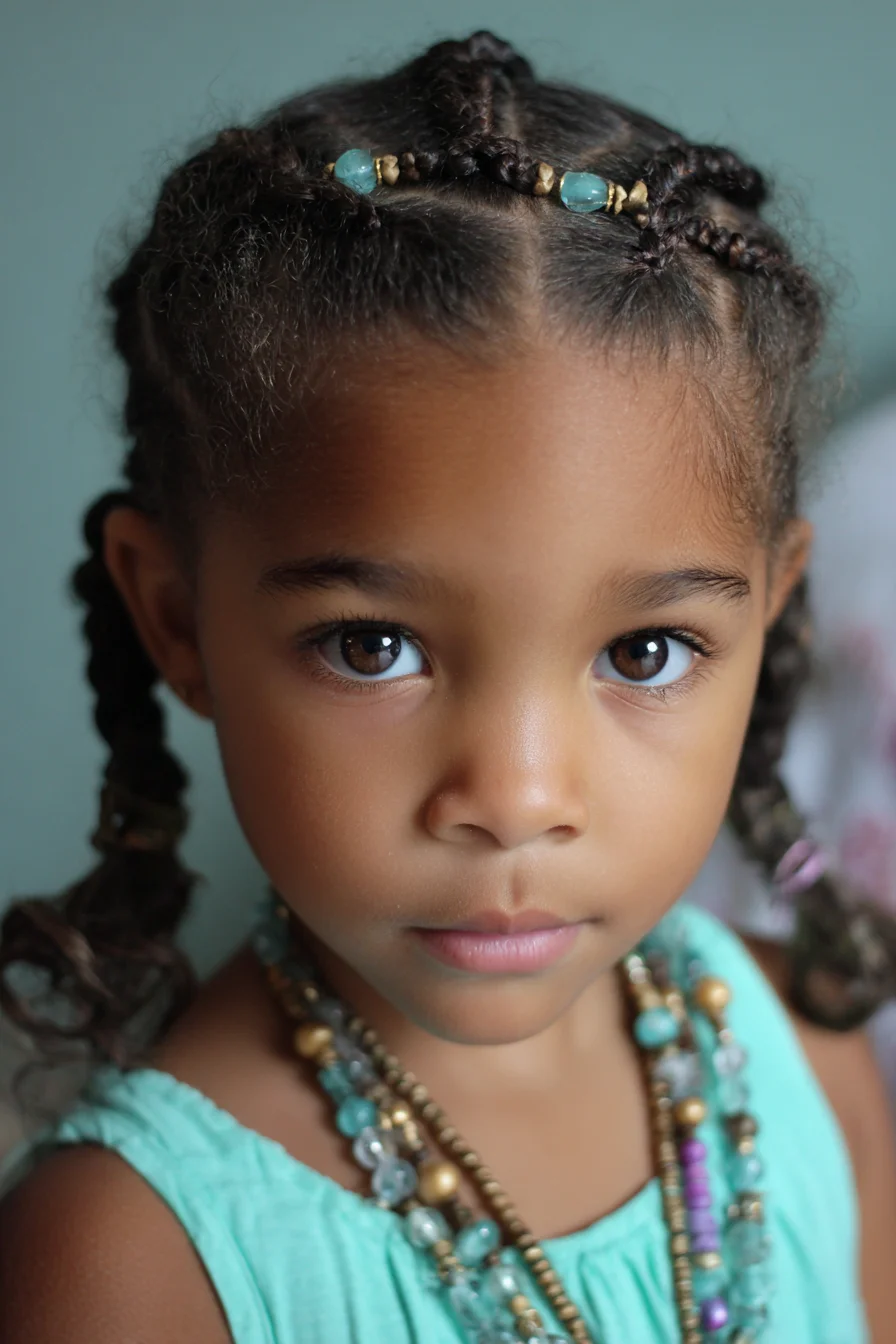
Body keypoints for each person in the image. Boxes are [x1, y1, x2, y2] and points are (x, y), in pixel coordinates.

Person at [0, 29, 894, 1344]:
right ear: (175, 619)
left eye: (644, 652)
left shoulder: (807, 1063)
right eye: (373, 646)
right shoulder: (125, 1261)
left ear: (771, 610)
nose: (515, 798)